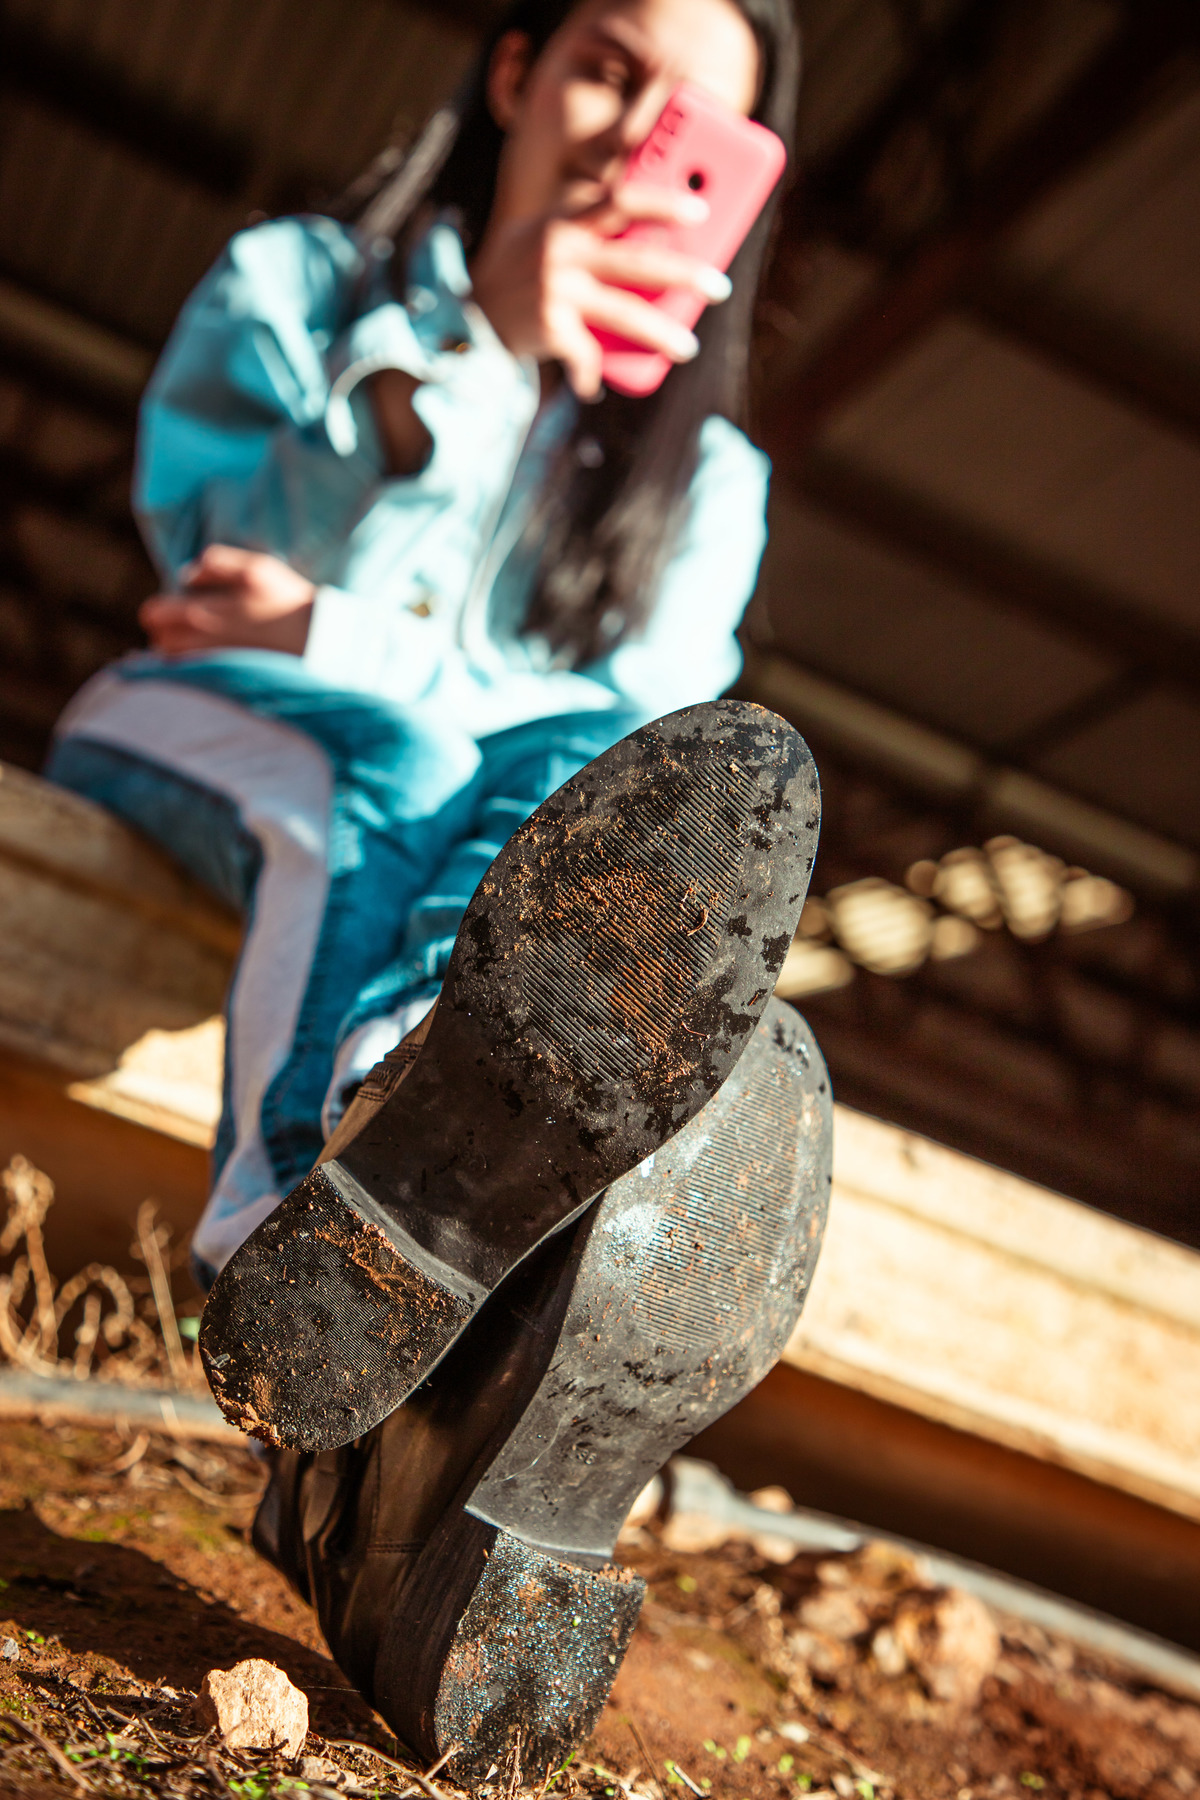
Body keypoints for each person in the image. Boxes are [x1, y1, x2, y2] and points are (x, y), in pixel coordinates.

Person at [48, 0, 833, 1770]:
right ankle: (293, 1217)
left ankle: (408, 1231)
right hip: (200, 728)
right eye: (608, 70)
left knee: (557, 775)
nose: (633, 136)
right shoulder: (306, 288)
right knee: (402, 760)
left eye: (695, 126)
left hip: (419, 812)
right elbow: (213, 564)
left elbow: (630, 780)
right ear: (515, 71)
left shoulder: (706, 480)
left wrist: (338, 631)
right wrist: (480, 353)